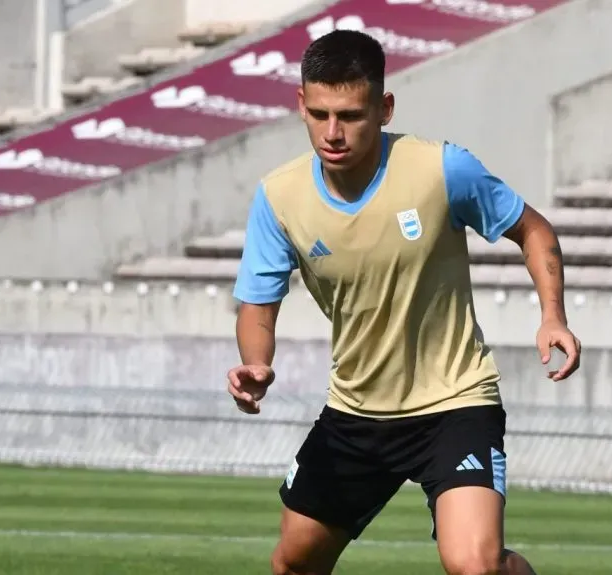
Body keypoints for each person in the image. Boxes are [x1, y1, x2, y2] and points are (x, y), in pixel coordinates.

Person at [226, 29, 581, 575]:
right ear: (300, 104)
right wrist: (257, 362)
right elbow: (257, 301)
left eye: (350, 114)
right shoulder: (279, 197)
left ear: (384, 107)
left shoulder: (441, 170)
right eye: (319, 114)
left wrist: (552, 315)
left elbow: (533, 230)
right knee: (294, 563)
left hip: (454, 402)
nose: (333, 132)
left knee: (475, 565)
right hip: (355, 411)